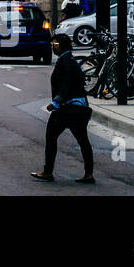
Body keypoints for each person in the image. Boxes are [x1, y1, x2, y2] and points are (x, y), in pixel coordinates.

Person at [31, 34, 95, 184]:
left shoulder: (64, 62)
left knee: (51, 137)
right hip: (79, 107)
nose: (52, 48)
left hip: (67, 108)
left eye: (54, 45)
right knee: (83, 140)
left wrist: (55, 103)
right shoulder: (71, 60)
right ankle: (89, 173)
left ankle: (47, 171)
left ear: (60, 46)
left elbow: (66, 85)